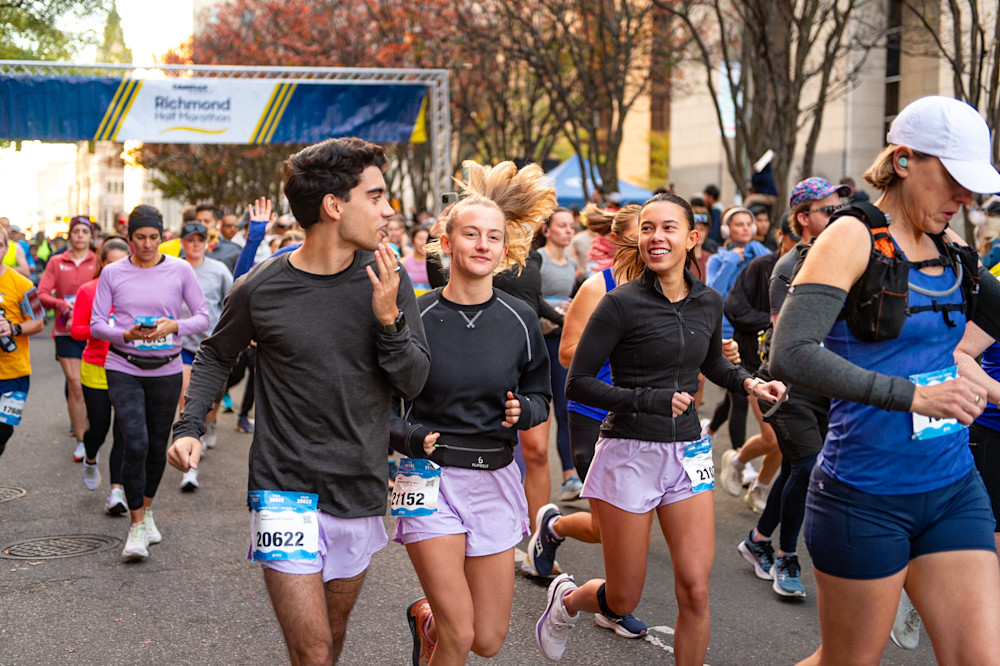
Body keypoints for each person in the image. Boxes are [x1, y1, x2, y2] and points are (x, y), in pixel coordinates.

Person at [167, 137, 430, 665]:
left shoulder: (388, 279)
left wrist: (389, 321)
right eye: (376, 196)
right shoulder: (259, 287)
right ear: (334, 205)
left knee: (332, 635)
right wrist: (189, 426)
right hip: (282, 485)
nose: (388, 210)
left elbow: (414, 381)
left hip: (358, 484)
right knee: (312, 650)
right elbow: (216, 354)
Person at [770, 95, 1000, 665]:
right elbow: (790, 354)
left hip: (954, 490)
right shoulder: (851, 235)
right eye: (954, 179)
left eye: (972, 186)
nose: (965, 198)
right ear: (903, 161)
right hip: (864, 497)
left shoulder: (952, 248)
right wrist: (914, 395)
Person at [538, 193, 784, 663]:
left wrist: (751, 382)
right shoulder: (618, 303)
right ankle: (567, 601)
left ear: (692, 238)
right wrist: (648, 399)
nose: (656, 237)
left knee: (695, 589)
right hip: (629, 452)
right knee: (622, 598)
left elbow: (712, 363)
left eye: (669, 227)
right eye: (648, 228)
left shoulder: (708, 301)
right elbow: (577, 382)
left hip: (687, 453)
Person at [391, 160, 553, 666]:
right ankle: (443, 626)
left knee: (487, 640)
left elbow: (541, 394)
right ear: (446, 241)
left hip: (495, 478)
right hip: (428, 479)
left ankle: (427, 620)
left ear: (505, 249)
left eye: (493, 237)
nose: (483, 244)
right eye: (471, 234)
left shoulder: (520, 318)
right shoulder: (416, 316)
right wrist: (409, 438)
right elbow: (379, 404)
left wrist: (525, 410)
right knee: (460, 634)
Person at [524, 203, 649, 639]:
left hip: (643, 419)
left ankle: (609, 597)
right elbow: (565, 354)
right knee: (605, 526)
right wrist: (620, 344)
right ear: (620, 240)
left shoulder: (664, 288)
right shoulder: (599, 287)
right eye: (642, 232)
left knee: (630, 523)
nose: (653, 240)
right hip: (595, 416)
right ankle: (557, 531)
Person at [91, 205, 210, 562]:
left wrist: (174, 326)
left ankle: (147, 509)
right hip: (123, 366)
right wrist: (124, 334)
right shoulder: (113, 272)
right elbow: (97, 324)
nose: (146, 244)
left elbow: (203, 317)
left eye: (153, 237)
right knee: (135, 441)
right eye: (140, 237)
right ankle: (136, 525)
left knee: (158, 445)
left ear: (162, 236)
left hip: (166, 368)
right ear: (129, 238)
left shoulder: (180, 269)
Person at [70, 237, 131, 511]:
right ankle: (91, 457)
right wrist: (103, 328)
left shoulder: (137, 290)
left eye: (123, 263)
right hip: (96, 366)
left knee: (123, 431)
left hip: (128, 366)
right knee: (99, 428)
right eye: (111, 264)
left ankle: (117, 491)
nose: (117, 269)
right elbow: (76, 331)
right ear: (102, 264)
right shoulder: (88, 290)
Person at [176, 220, 234, 492]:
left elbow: (232, 302)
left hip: (212, 346)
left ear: (207, 243)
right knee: (186, 399)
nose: (195, 244)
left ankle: (209, 423)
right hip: (182, 346)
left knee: (210, 402)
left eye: (200, 239)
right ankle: (189, 468)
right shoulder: (174, 269)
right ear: (183, 242)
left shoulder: (219, 270)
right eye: (190, 240)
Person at [38, 216, 98, 462]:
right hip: (66, 331)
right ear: (70, 235)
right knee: (75, 384)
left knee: (91, 385)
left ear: (91, 236)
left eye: (85, 231)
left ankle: (92, 422)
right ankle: (81, 442)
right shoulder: (56, 261)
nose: (80, 235)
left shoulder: (99, 260)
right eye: (76, 231)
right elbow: (42, 293)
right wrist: (61, 304)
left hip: (95, 331)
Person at [536, 208, 583, 500]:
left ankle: (570, 477)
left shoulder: (572, 264)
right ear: (546, 230)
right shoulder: (537, 259)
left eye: (571, 226)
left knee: (566, 408)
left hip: (559, 342)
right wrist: (553, 312)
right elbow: (530, 300)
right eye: (562, 225)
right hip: (536, 342)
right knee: (537, 411)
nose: (568, 231)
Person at [0, 227, 45, 459]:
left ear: (6, 249)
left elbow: (38, 322)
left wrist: (13, 328)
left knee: (3, 431)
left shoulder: (23, 283)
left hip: (13, 372)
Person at [404, 225, 431, 295]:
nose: (423, 243)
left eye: (426, 239)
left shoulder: (434, 264)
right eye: (420, 239)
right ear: (413, 241)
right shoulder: (404, 262)